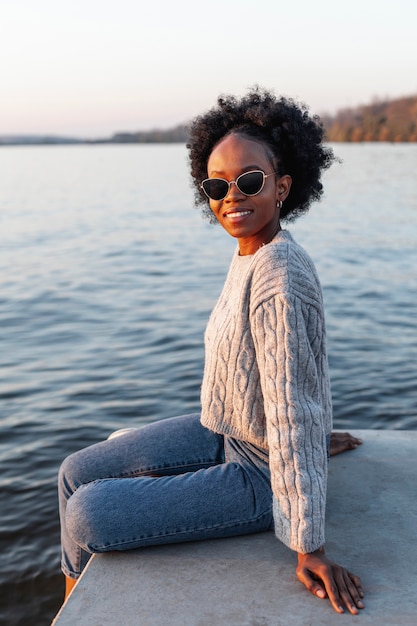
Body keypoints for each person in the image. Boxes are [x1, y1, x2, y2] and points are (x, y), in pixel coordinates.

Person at [58, 87, 364, 615]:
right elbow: (295, 373)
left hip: (259, 476)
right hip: (226, 431)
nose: (232, 196)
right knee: (71, 472)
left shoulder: (279, 277)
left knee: (87, 513)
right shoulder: (254, 253)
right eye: (217, 185)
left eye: (249, 181)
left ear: (283, 187)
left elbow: (293, 405)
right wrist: (318, 435)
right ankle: (70, 607)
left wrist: (309, 546)